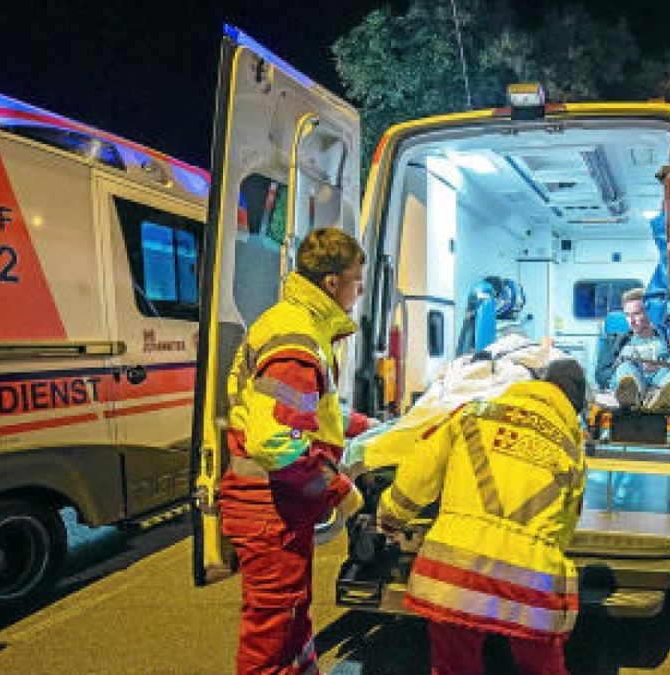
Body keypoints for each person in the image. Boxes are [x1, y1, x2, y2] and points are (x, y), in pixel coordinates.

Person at [218, 227, 373, 674]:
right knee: (271, 632)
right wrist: (338, 490)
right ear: (332, 282)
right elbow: (276, 442)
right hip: (269, 506)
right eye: (356, 284)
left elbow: (299, 411)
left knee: (290, 615)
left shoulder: (290, 323)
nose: (357, 295)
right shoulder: (298, 341)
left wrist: (362, 426)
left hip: (273, 503)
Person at [377, 359, 588, 675]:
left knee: (454, 666)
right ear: (574, 405)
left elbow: (421, 470)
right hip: (528, 580)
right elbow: (564, 527)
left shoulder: (472, 413)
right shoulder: (571, 449)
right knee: (541, 667)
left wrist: (391, 517)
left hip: (456, 567)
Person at [597, 286, 670, 412]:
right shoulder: (615, 341)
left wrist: (658, 367)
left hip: (660, 382)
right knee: (628, 355)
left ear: (649, 312)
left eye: (636, 314)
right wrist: (635, 368)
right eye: (627, 315)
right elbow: (601, 374)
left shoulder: (668, 339)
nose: (631, 321)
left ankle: (661, 397)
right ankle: (631, 394)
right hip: (633, 383)